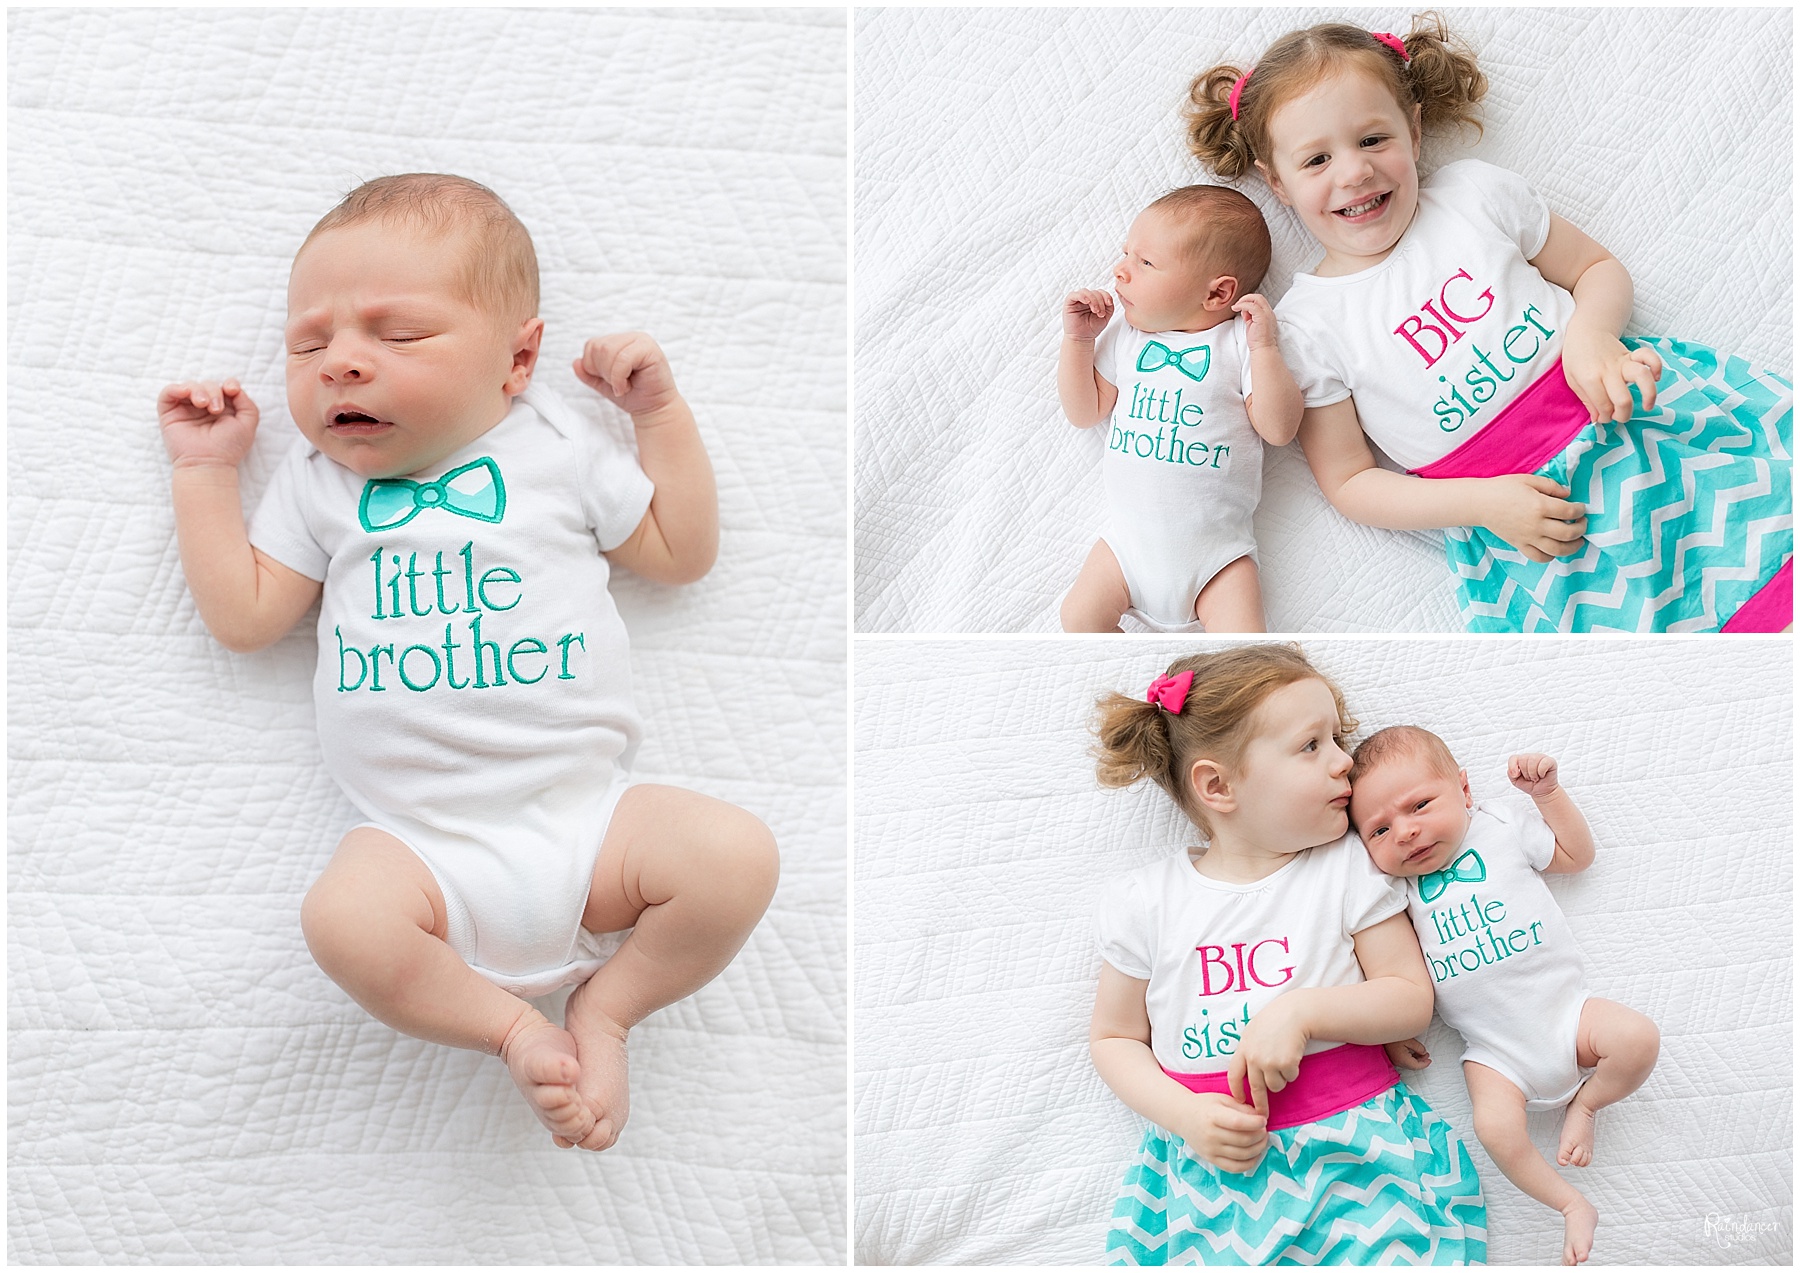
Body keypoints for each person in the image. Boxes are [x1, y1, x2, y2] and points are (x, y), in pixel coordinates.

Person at [155, 173, 779, 1153]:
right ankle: (510, 1028)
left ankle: (609, 1009)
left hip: (591, 827)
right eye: (309, 344)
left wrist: (659, 417)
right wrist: (206, 473)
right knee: (340, 923)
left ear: (518, 357)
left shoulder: (557, 451)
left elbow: (680, 550)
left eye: (395, 337)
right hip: (420, 849)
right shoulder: (321, 490)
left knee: (735, 857)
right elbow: (243, 615)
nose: (340, 367)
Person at [1186, 14, 1792, 632]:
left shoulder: (1471, 197)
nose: (1354, 172)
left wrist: (1592, 337)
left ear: (1414, 131)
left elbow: (1598, 269)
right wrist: (1481, 502)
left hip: (1643, 428)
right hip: (1534, 523)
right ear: (1278, 184)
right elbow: (1350, 483)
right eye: (1316, 160)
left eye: (1373, 140)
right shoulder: (1307, 327)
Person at [1089, 644, 1485, 1264]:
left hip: (1357, 1150)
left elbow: (1409, 998)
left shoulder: (1346, 867)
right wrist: (1186, 1116)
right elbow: (1114, 1039)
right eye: (1312, 746)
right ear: (1218, 785)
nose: (1345, 761)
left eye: (1338, 738)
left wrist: (1300, 1013)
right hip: (1212, 1171)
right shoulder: (1148, 902)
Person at [1350, 726, 1659, 1266]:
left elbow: (1575, 855)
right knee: (1493, 1128)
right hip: (1494, 1051)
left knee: (1638, 1038)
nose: (1405, 832)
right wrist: (1397, 1032)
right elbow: (1393, 972)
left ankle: (1587, 1104)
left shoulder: (1497, 824)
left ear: (1465, 791)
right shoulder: (1389, 890)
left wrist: (1547, 797)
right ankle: (1568, 1203)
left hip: (1568, 1015)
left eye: (1420, 804)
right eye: (1378, 831)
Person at [1058, 186, 1302, 632]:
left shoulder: (1238, 345)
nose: (1120, 271)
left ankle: (1214, 695)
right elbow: (1084, 410)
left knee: (1243, 646)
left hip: (1218, 559)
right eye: (1126, 254)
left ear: (1217, 293)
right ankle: (1146, 686)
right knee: (1077, 619)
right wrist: (1079, 341)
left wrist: (1265, 347)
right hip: (1127, 549)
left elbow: (1280, 428)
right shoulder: (1127, 339)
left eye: (1145, 263)